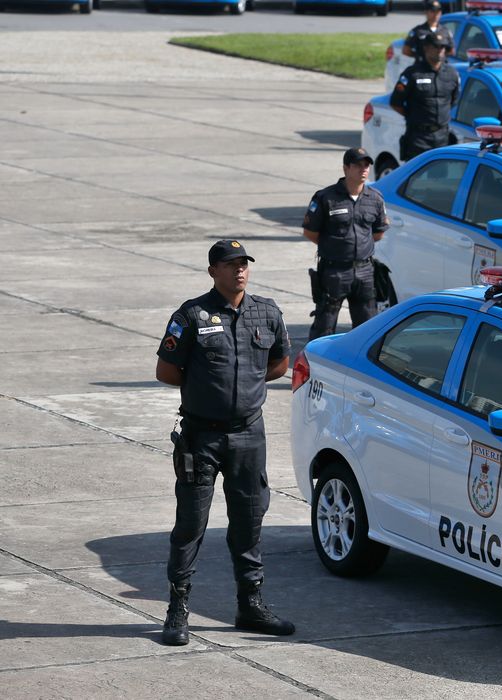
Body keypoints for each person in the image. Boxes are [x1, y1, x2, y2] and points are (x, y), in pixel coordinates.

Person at [155, 239, 294, 646]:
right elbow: (167, 370)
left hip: (249, 434)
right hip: (202, 437)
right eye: (231, 264)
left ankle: (250, 605)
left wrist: (243, 389)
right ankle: (177, 609)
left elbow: (279, 363)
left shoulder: (266, 312)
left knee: (249, 522)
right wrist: (206, 389)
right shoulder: (192, 315)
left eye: (244, 264)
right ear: (213, 270)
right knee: (190, 525)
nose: (240, 270)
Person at [302, 147, 389, 341]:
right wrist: (336, 248)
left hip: (365, 271)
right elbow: (310, 232)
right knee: (325, 324)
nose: (363, 170)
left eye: (366, 165)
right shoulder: (326, 197)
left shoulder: (375, 198)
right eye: (358, 165)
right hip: (334, 271)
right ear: (345, 168)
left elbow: (379, 232)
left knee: (367, 327)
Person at [391, 29, 460, 163]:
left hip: (442, 138)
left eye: (443, 47)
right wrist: (414, 116)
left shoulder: (452, 74)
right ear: (426, 48)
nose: (440, 50)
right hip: (418, 138)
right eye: (436, 46)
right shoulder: (412, 74)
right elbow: (396, 102)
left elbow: (453, 100)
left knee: (440, 180)